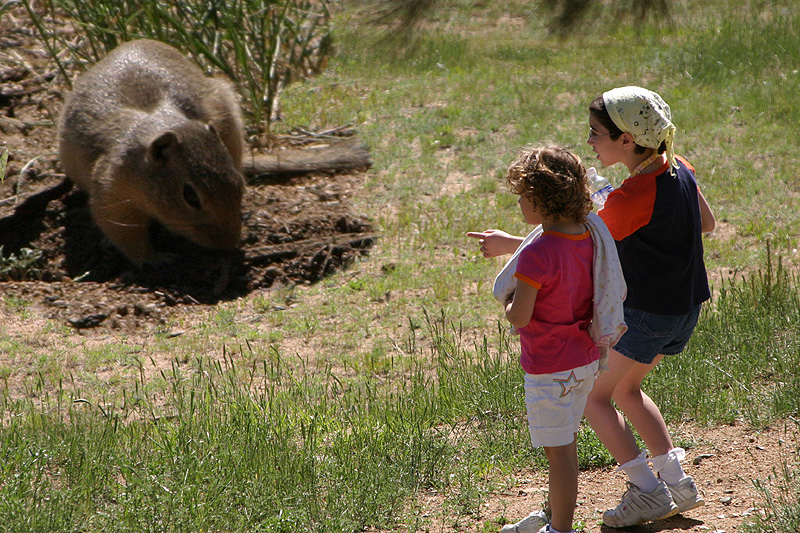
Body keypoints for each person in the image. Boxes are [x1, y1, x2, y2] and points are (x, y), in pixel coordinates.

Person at [469, 87, 716, 528]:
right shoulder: (681, 169)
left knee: (595, 398)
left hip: (646, 314)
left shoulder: (631, 198)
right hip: (684, 308)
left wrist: (510, 245)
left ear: (626, 140)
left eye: (596, 133)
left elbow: (578, 242)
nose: (589, 142)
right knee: (626, 389)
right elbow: (708, 223)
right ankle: (676, 482)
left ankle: (646, 489)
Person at [488, 145, 613, 533]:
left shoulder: (536, 254)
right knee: (566, 448)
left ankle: (560, 529)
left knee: (559, 456)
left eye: (524, 197)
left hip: (549, 368)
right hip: (584, 360)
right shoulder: (587, 237)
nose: (521, 205)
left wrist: (508, 304)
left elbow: (521, 316)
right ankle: (555, 517)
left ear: (541, 202)